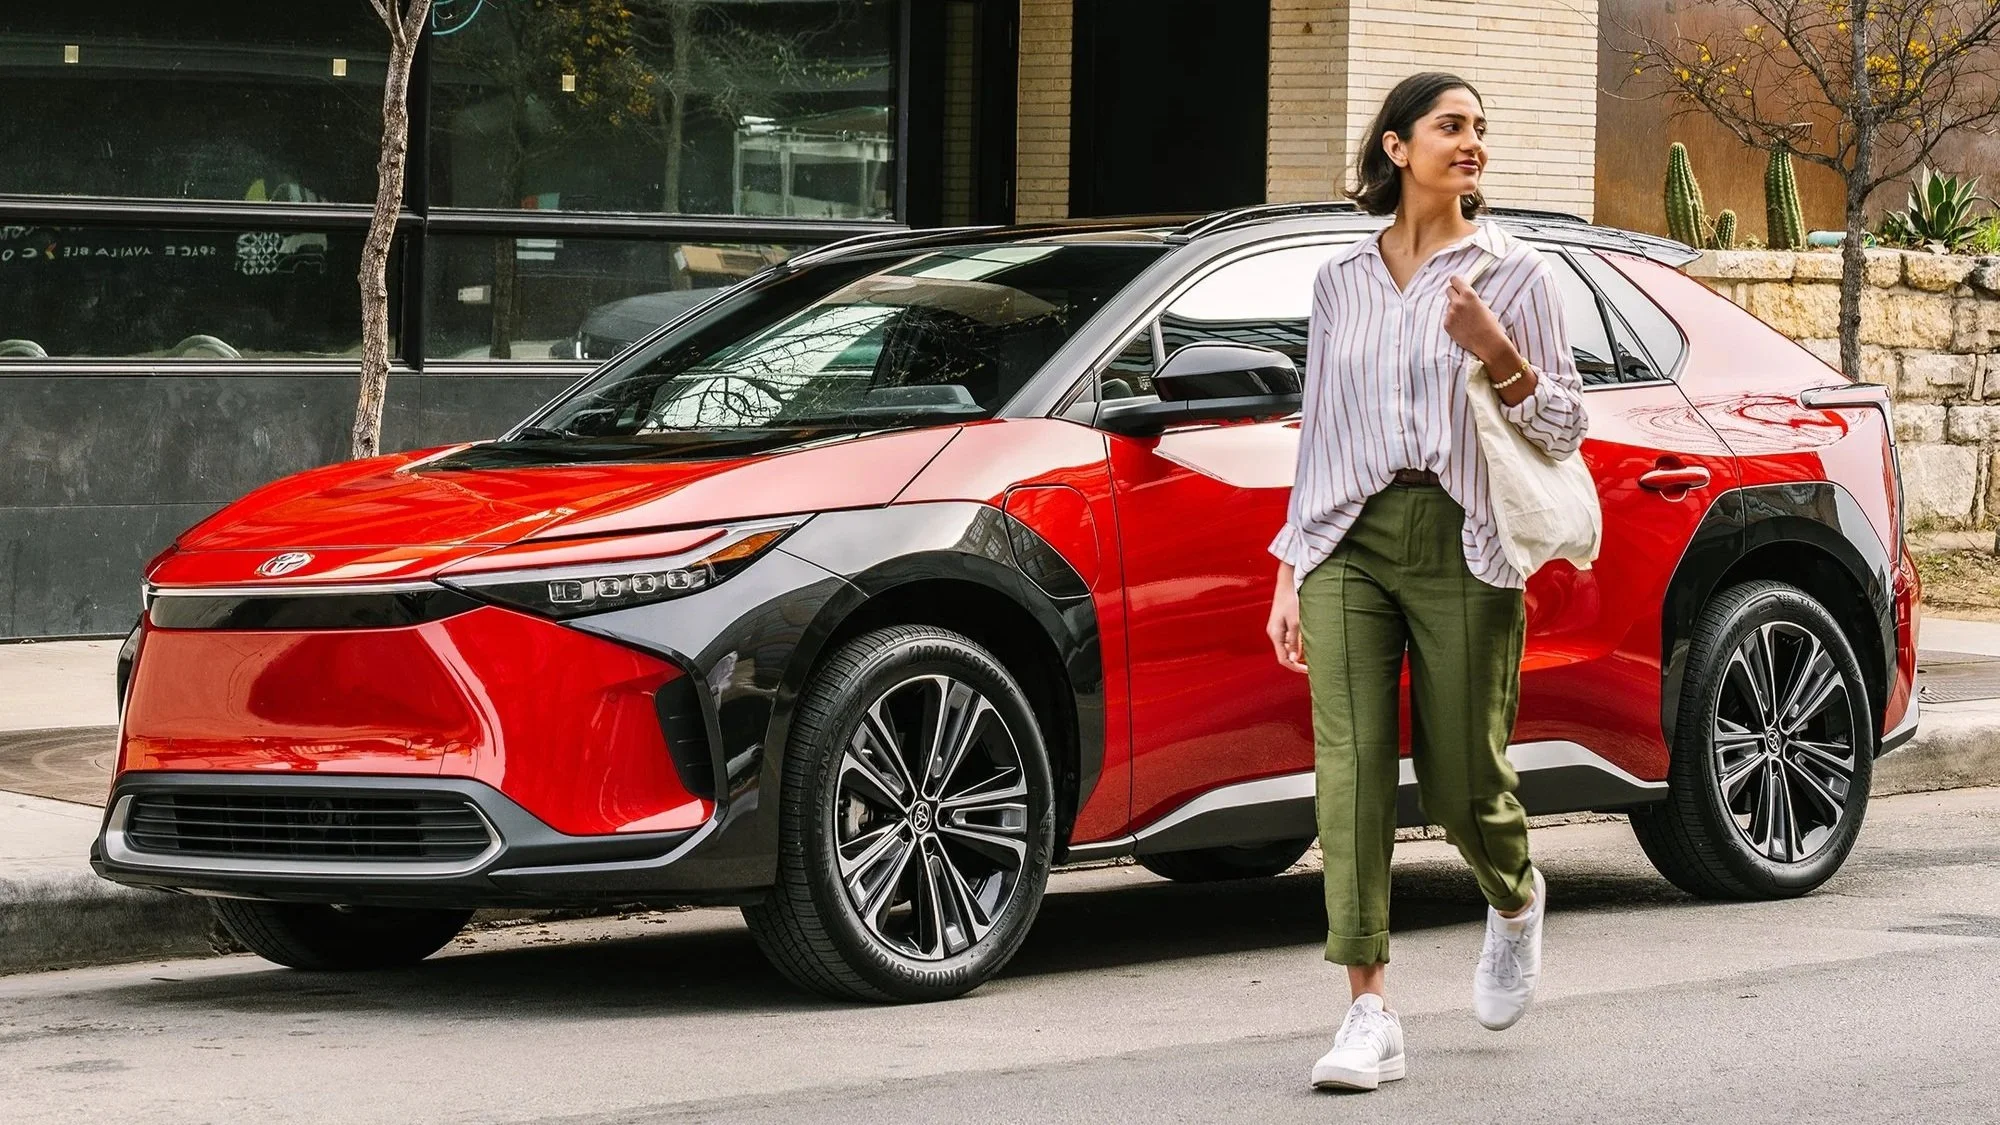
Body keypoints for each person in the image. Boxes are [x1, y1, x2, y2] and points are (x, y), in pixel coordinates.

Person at [1264, 71, 1589, 1092]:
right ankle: (1367, 1009)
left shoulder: (1516, 277)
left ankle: (1511, 895)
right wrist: (1288, 564)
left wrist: (1496, 353)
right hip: (1348, 536)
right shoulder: (1338, 282)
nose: (1470, 143)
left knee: (1458, 780)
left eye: (1479, 129)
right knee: (1350, 771)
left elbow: (1564, 428)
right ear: (1396, 148)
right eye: (1450, 126)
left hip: (1465, 536)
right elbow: (1319, 430)